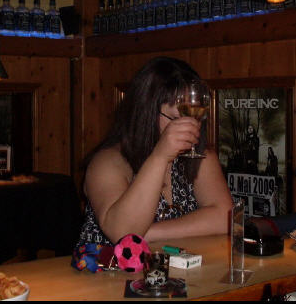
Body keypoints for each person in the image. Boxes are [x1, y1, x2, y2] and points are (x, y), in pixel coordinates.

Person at [76, 56, 233, 247]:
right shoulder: (108, 161)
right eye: (177, 119)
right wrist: (160, 156)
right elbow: (122, 231)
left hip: (177, 263)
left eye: (194, 118)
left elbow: (225, 217)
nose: (189, 126)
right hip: (107, 264)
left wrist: (147, 233)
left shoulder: (199, 155)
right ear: (146, 113)